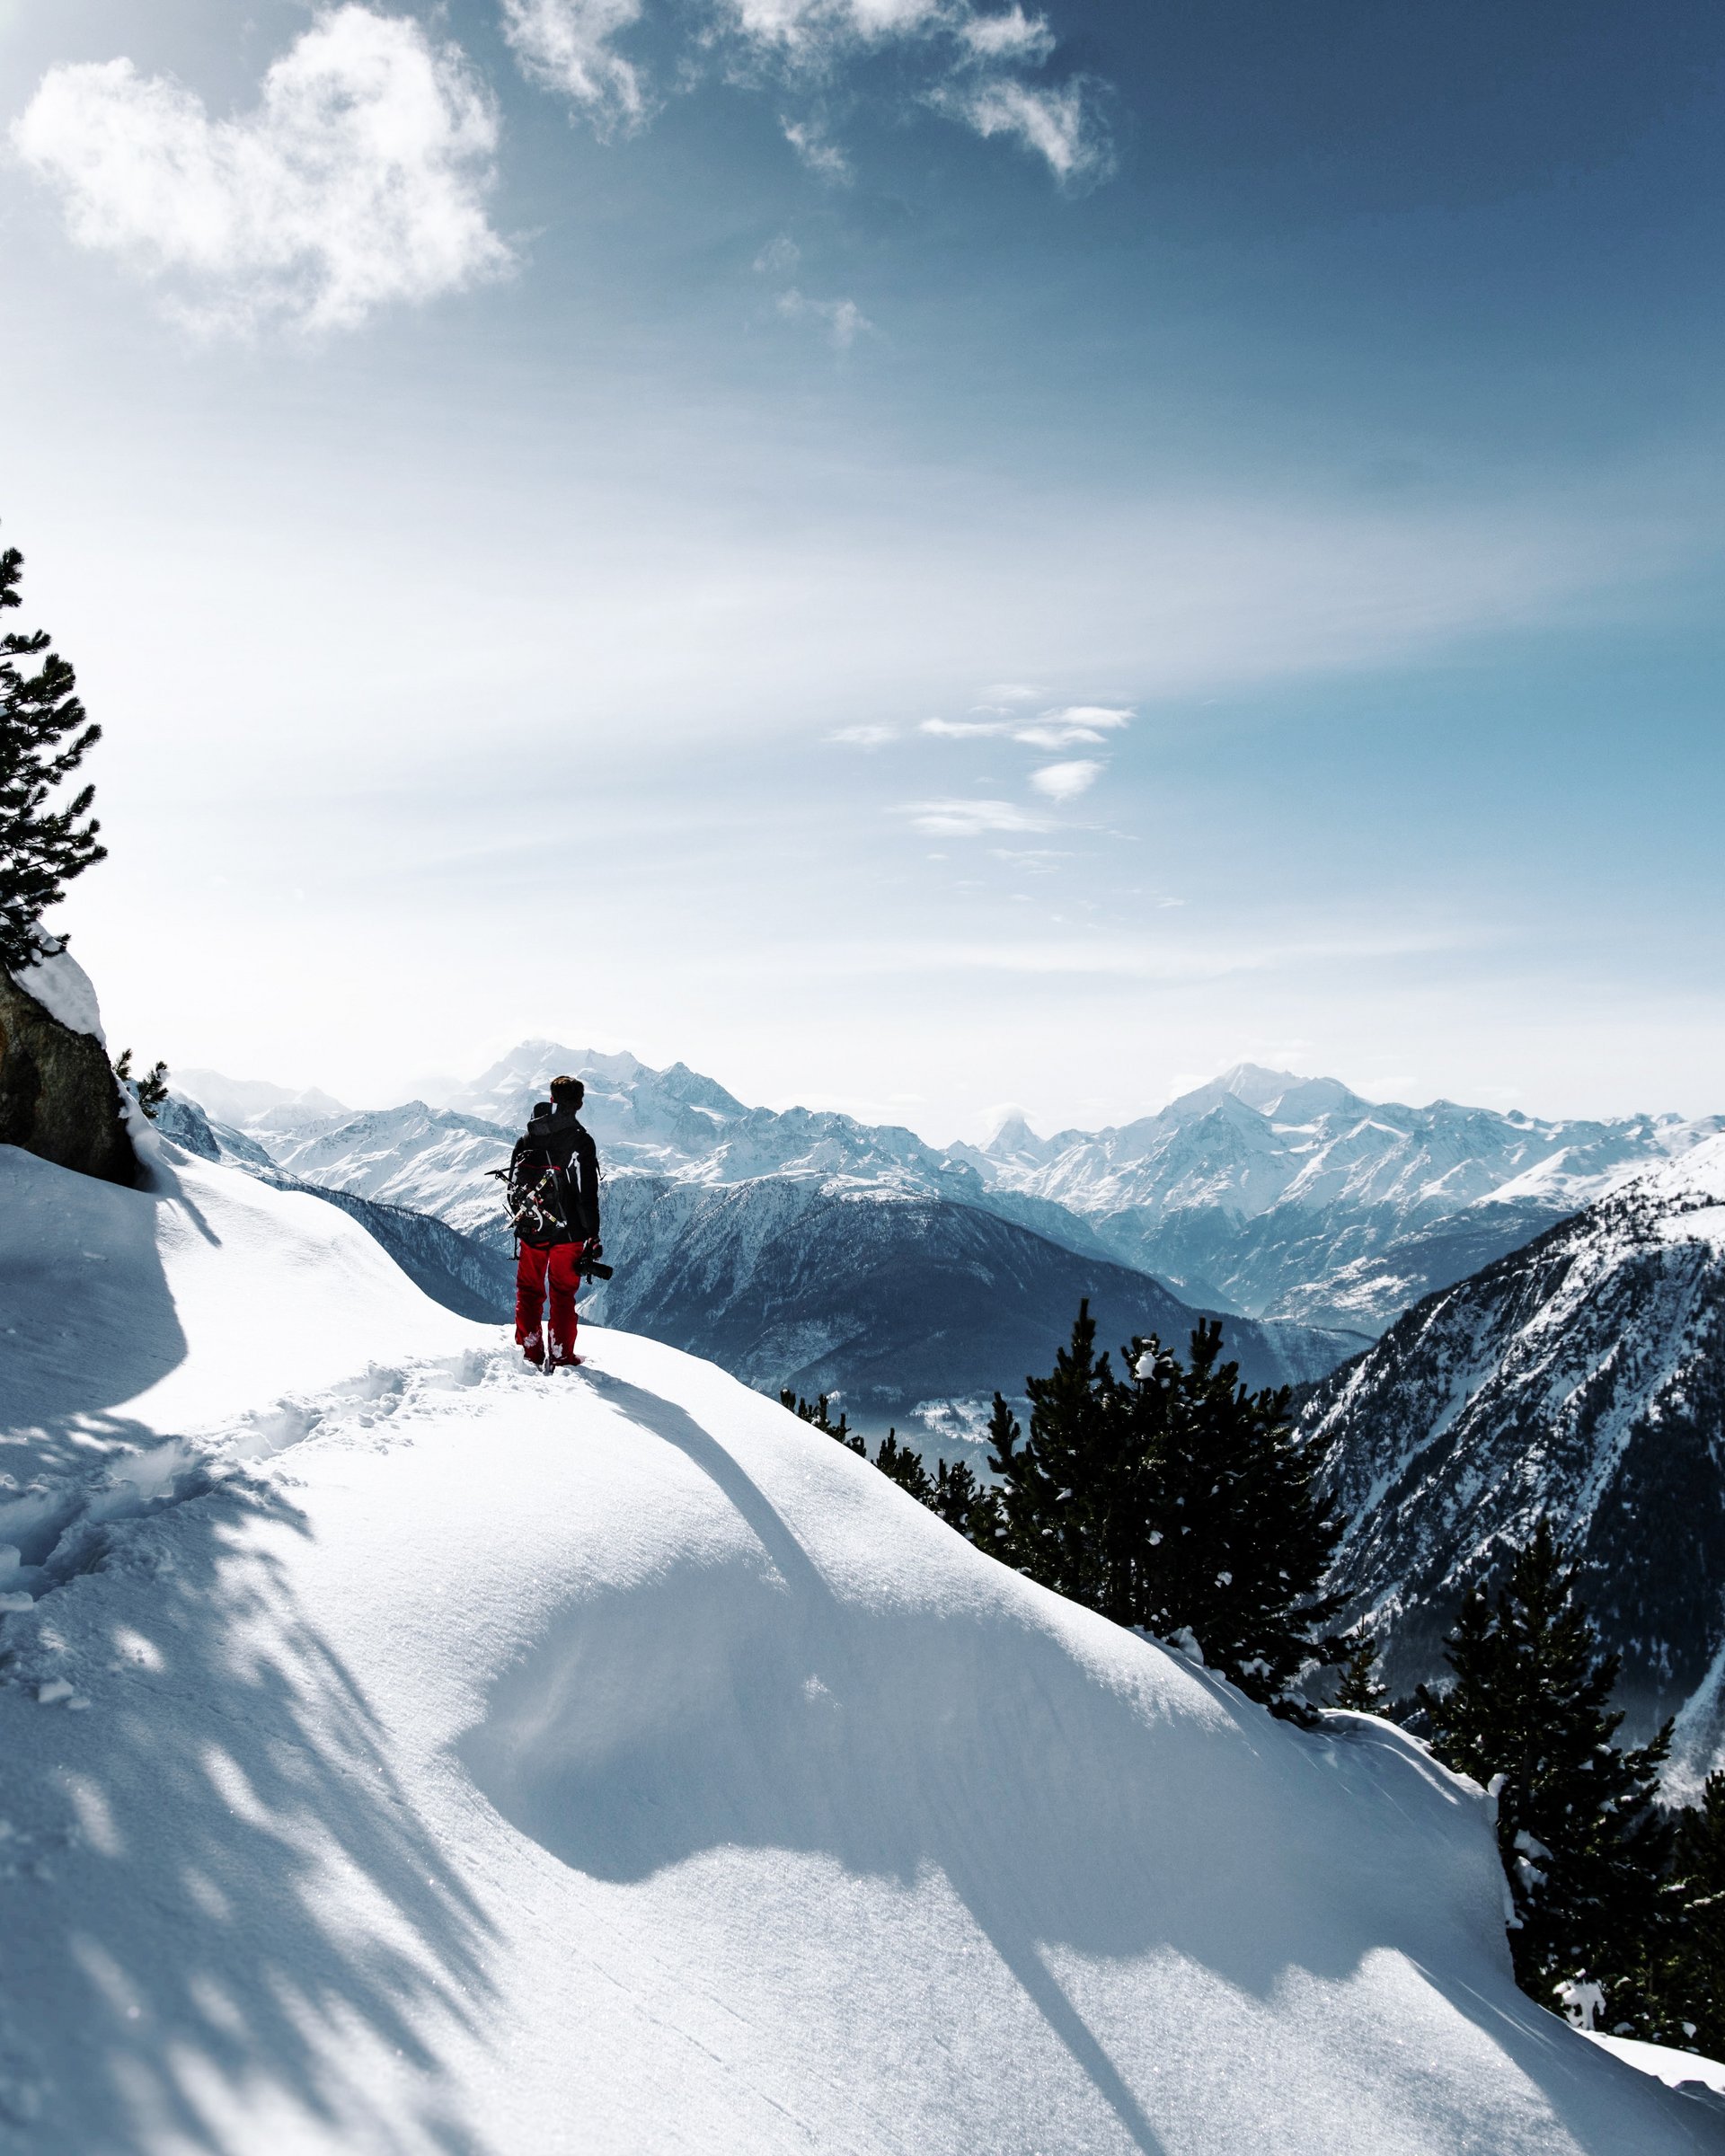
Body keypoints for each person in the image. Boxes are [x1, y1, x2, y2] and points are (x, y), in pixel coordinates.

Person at [508, 1074, 601, 1367]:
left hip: (532, 1227)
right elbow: (588, 1193)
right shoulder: (581, 1141)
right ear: (579, 1104)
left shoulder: (527, 1138)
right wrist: (592, 1234)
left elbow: (513, 1184)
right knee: (562, 1294)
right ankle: (561, 1356)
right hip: (569, 1233)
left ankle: (529, 1353)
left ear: (551, 1100)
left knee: (529, 1291)